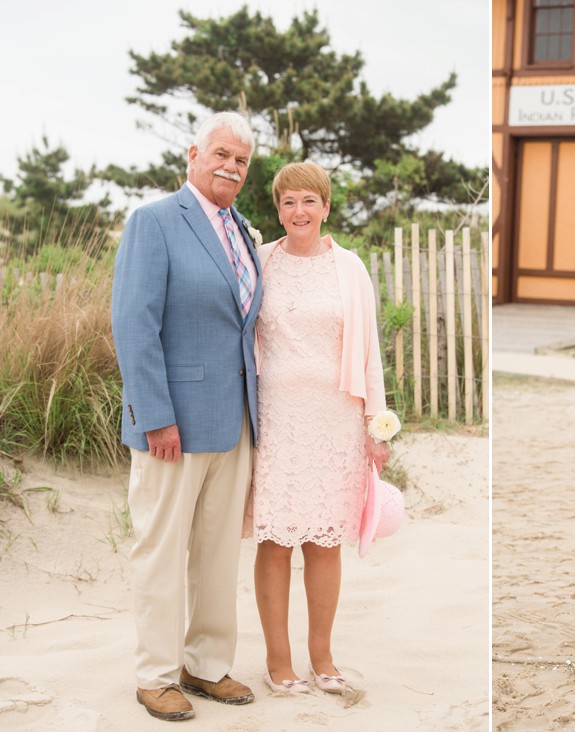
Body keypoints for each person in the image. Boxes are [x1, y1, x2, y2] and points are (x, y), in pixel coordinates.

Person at [111, 111, 261, 721]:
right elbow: (133, 324)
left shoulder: (245, 230)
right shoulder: (153, 222)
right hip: (171, 424)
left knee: (218, 552)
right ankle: (155, 674)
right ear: (195, 154)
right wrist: (155, 416)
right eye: (222, 154)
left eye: (243, 161)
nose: (231, 166)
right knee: (161, 549)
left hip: (236, 421)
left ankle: (206, 664)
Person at [244, 162, 389, 695]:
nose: (298, 212)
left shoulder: (350, 268)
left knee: (324, 543)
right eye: (288, 202)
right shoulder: (260, 263)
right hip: (274, 418)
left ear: (326, 207)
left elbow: (369, 350)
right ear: (277, 209)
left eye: (309, 201)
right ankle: (278, 662)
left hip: (335, 419)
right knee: (276, 540)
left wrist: (376, 425)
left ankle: (323, 659)